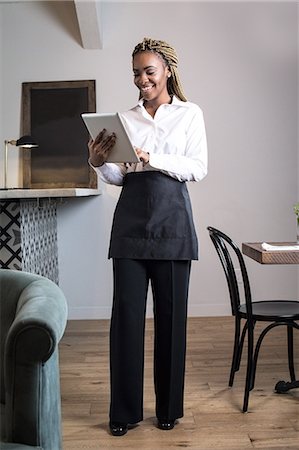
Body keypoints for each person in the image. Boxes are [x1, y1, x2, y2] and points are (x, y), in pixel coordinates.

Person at [88, 37, 208, 437]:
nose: (141, 79)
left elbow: (197, 167)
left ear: (167, 71)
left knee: (172, 323)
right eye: (136, 73)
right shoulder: (125, 118)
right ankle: (123, 412)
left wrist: (151, 157)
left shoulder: (190, 114)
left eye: (149, 71)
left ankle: (169, 409)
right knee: (126, 322)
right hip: (131, 227)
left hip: (173, 224)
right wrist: (98, 163)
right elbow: (119, 177)